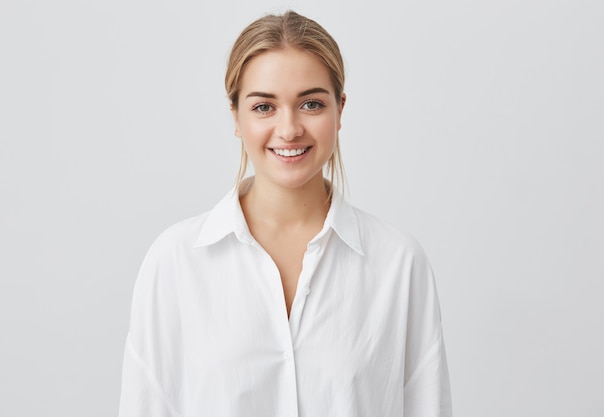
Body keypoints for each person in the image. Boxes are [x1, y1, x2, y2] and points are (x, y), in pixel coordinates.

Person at [118, 10, 452, 417]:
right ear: (236, 116)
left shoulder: (399, 264)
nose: (289, 128)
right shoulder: (175, 261)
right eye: (264, 107)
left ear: (340, 110)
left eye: (311, 103)